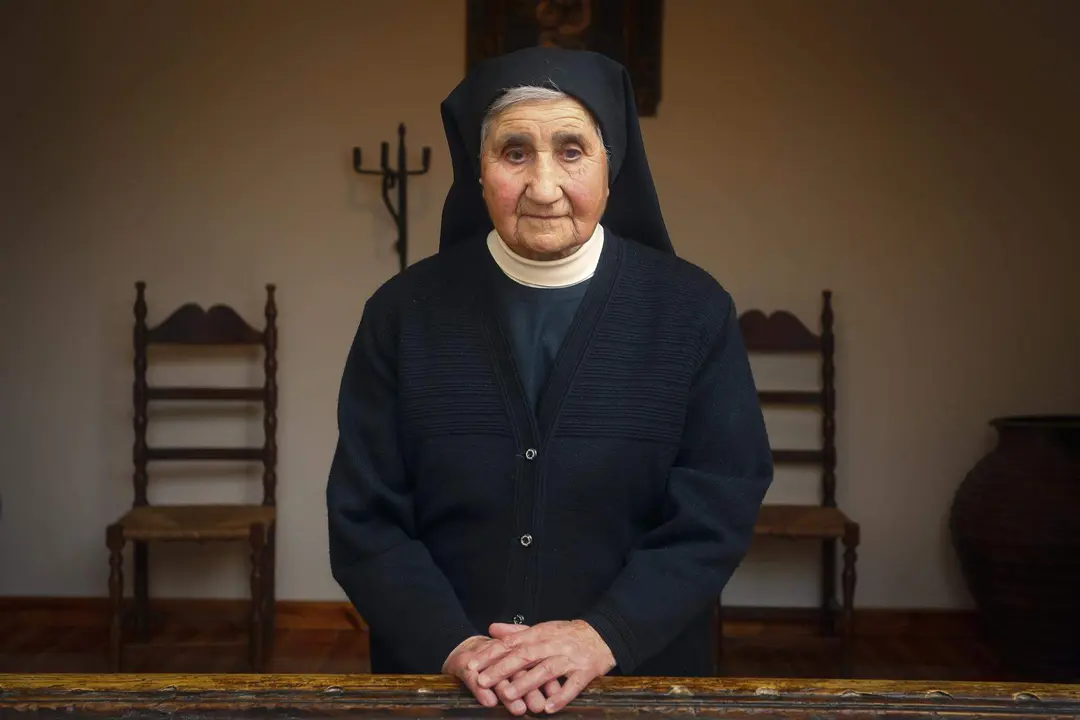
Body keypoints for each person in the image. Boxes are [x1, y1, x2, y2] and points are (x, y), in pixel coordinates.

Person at [326, 46, 773, 715]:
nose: (542, 186)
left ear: (610, 164)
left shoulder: (692, 313)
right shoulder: (401, 316)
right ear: (478, 172)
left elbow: (718, 507)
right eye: (513, 153)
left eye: (571, 150)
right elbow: (365, 519)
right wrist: (455, 647)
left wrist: (601, 636)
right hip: (445, 689)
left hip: (637, 682)